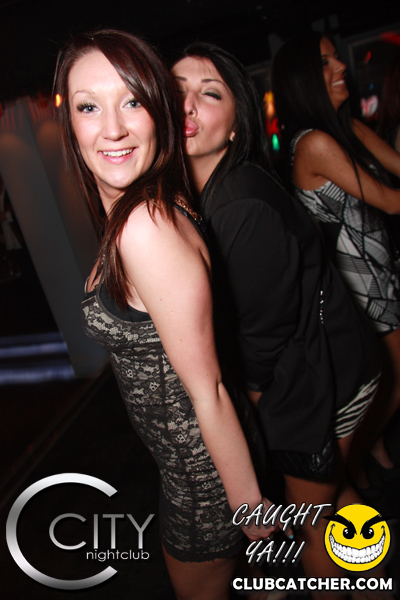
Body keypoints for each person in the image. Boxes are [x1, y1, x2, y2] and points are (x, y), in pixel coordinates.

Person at [54, 29, 280, 600]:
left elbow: (209, 391)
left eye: (131, 101)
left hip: (204, 477)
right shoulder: (147, 204)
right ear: (70, 122)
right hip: (187, 466)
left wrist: (251, 510)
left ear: (158, 109)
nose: (112, 128)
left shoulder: (145, 226)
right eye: (88, 106)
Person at [171, 42, 385, 596]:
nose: (187, 105)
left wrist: (248, 418)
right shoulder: (212, 192)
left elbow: (263, 342)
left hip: (326, 374)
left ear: (236, 122)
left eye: (209, 94)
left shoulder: (238, 204)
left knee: (311, 523)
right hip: (331, 361)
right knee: (330, 496)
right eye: (175, 90)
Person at [272, 32, 400, 493]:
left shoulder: (346, 128)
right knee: (392, 383)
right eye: (326, 62)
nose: (341, 66)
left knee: (385, 384)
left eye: (335, 59)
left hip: (381, 270)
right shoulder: (313, 143)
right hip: (360, 282)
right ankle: (342, 470)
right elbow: (390, 201)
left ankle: (369, 458)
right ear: (306, 78)